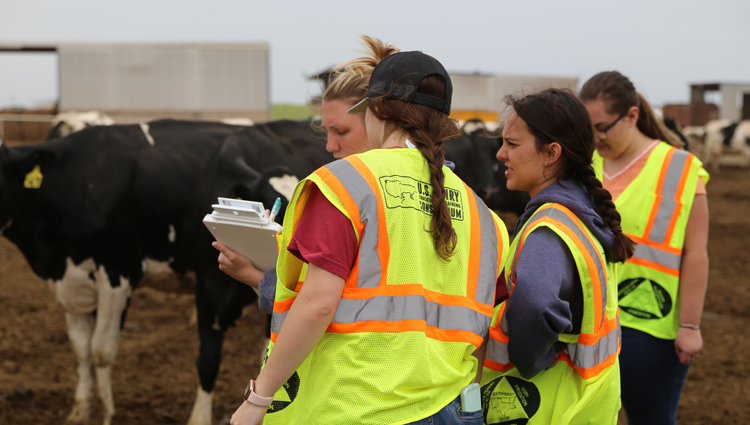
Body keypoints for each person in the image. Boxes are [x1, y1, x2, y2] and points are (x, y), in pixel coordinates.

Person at [230, 49, 509, 425]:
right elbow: (484, 329)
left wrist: (257, 398)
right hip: (451, 408)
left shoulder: (342, 185)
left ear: (375, 109)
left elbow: (318, 305)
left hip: (355, 407)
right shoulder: (485, 217)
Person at [213, 35, 401, 314]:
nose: (329, 146)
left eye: (341, 131)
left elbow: (319, 305)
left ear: (377, 118)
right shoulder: (446, 188)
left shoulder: (342, 196)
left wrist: (250, 275)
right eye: (326, 132)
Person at [480, 88, 632, 424]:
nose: (501, 154)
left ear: (551, 153)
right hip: (588, 404)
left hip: (546, 406)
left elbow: (535, 302)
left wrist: (530, 359)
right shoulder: (585, 212)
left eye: (512, 144)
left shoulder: (549, 227)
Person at [580, 71, 709, 425]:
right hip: (588, 322)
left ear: (632, 116)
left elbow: (696, 253)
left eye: (603, 126)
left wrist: (691, 326)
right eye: (588, 127)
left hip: (650, 329)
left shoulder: (681, 169)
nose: (595, 137)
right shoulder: (584, 165)